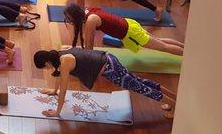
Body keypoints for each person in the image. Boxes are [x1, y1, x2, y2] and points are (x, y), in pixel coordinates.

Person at [33, 47, 177, 118]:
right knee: (139, 82)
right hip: (108, 59)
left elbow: (64, 88)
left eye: (44, 67)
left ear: (46, 62)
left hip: (109, 68)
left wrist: (57, 112)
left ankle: (174, 105)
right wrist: (53, 91)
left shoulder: (64, 62)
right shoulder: (59, 55)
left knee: (139, 87)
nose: (46, 69)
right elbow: (59, 77)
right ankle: (175, 98)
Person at [62, 2, 184, 55]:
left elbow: (89, 48)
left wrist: (74, 53)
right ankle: (187, 50)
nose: (69, 21)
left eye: (69, 18)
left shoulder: (90, 21)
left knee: (163, 47)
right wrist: (73, 48)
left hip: (130, 33)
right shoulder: (88, 10)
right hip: (130, 24)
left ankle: (188, 56)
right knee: (160, 41)